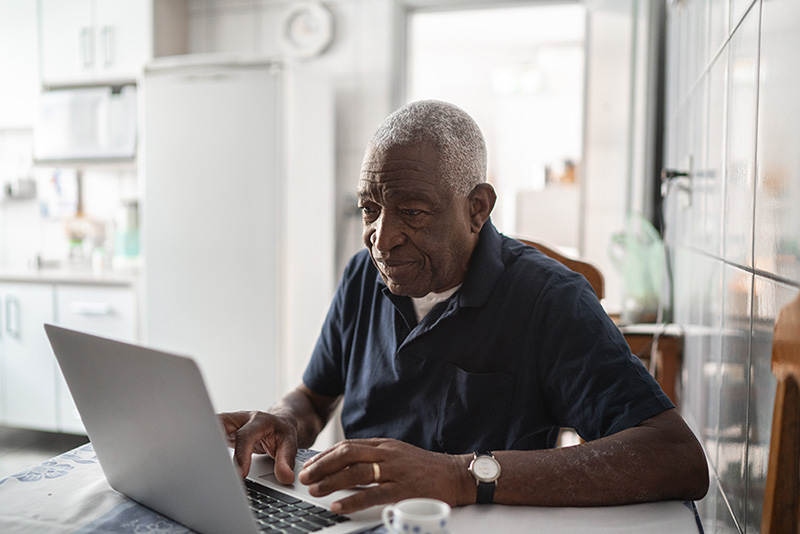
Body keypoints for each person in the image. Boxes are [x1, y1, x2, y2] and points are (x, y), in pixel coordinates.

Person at [221, 100, 709, 514]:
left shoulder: (549, 300)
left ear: (478, 208)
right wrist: (284, 419)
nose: (382, 239)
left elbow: (676, 456)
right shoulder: (362, 276)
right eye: (370, 209)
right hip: (359, 520)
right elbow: (314, 397)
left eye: (412, 212)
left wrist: (461, 476)